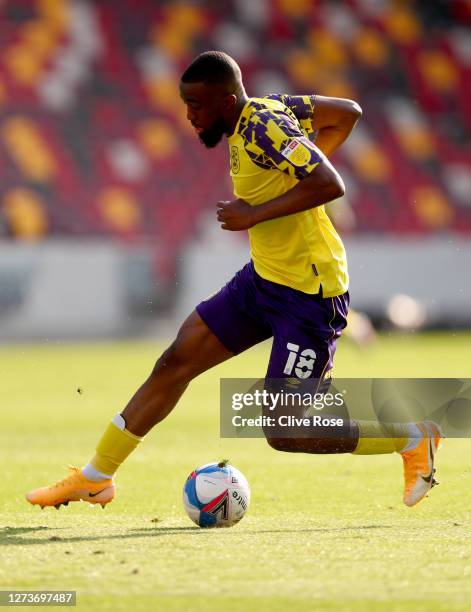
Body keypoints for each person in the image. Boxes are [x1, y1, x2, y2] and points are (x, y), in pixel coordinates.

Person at [26, 51, 441, 511]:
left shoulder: (265, 127)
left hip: (308, 294)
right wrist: (292, 175)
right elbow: (347, 114)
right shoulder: (268, 111)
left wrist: (254, 213)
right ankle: (95, 477)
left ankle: (411, 437)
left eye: (197, 107)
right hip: (265, 279)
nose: (189, 117)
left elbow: (331, 183)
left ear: (226, 101)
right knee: (176, 362)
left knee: (287, 431)